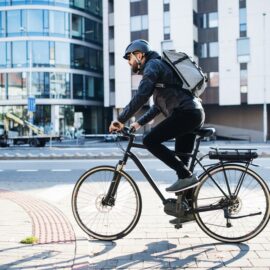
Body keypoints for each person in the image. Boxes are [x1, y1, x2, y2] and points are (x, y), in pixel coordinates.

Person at [109, 39, 205, 194]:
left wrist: (120, 120)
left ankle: (186, 176)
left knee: (150, 141)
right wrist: (138, 124)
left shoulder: (152, 66)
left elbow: (141, 96)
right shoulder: (161, 68)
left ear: (139, 55)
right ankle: (186, 209)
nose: (128, 63)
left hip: (186, 114)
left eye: (129, 58)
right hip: (192, 113)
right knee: (182, 165)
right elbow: (158, 106)